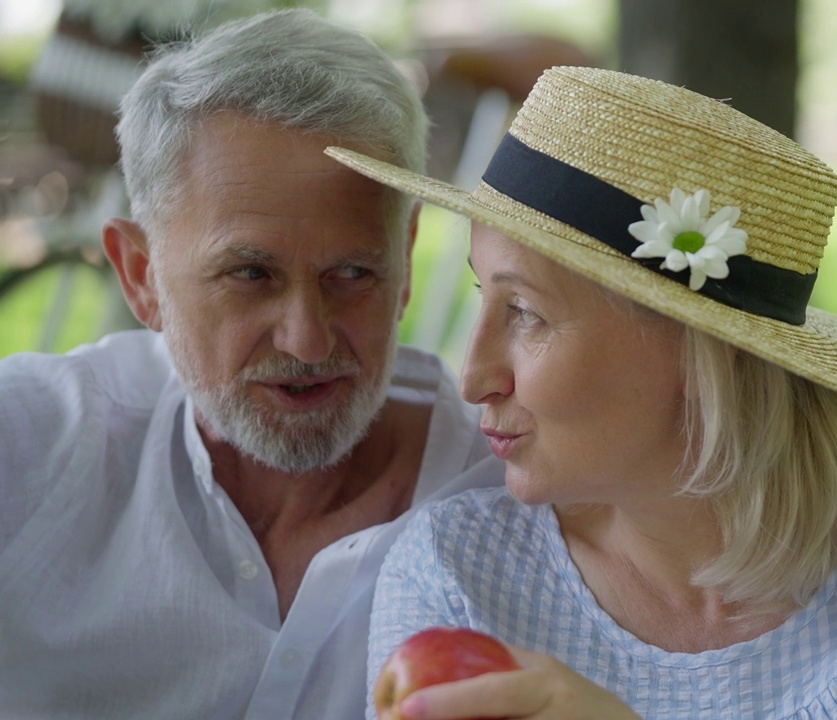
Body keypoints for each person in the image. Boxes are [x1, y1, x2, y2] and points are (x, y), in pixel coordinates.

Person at [333, 65, 837, 719]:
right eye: (480, 296)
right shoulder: (459, 578)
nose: (473, 377)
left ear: (694, 352)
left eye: (525, 313)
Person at [0, 10, 502, 720]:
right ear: (140, 274)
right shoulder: (34, 447)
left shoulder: (515, 501)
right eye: (250, 274)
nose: (305, 340)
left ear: (406, 261)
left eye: (353, 273)